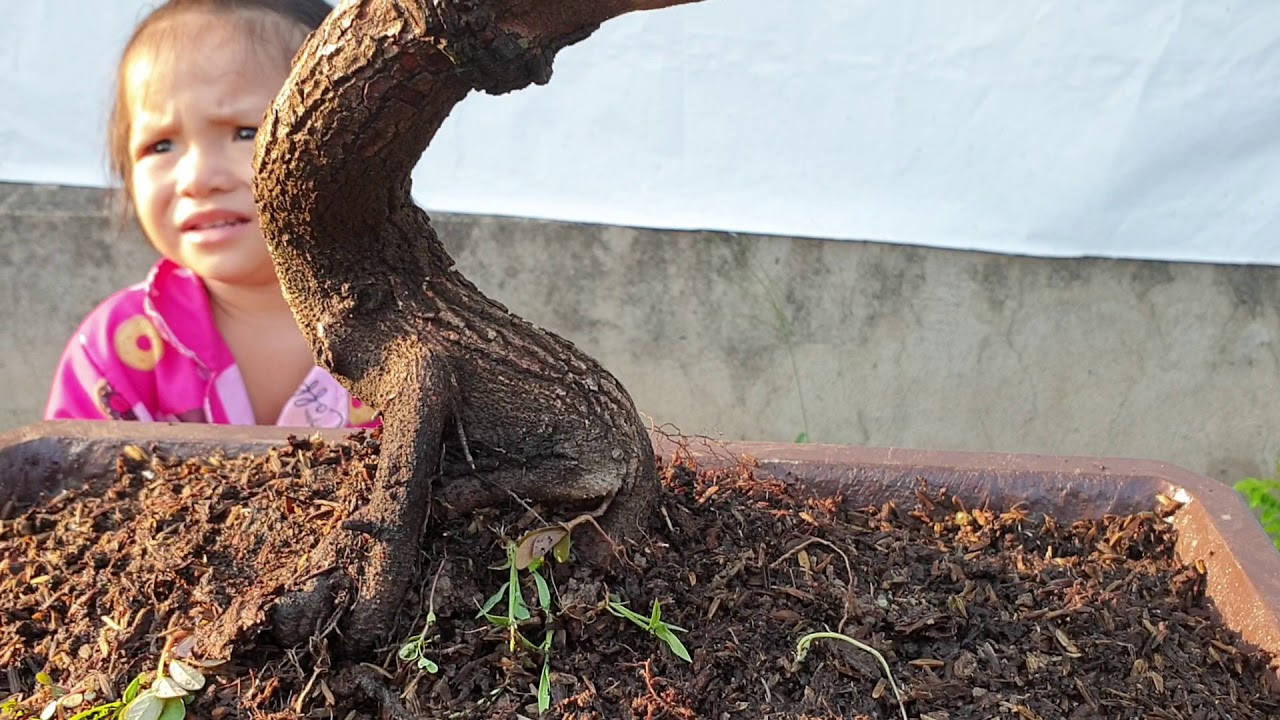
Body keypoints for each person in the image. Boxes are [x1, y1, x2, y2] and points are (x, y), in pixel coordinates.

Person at [45, 0, 377, 429]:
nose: (198, 179)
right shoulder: (117, 348)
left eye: (246, 133)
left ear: (357, 144)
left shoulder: (412, 340)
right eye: (160, 145)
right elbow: (69, 481)